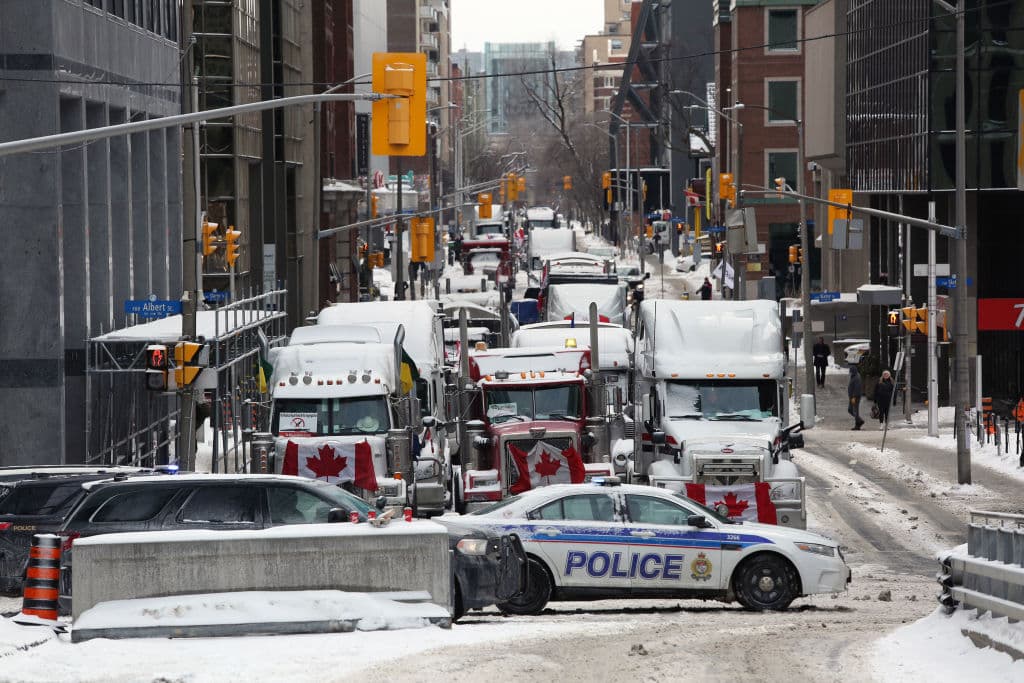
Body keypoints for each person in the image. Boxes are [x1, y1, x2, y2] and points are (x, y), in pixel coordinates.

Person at [848, 365, 864, 430]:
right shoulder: (853, 376)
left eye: (851, 372)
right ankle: (859, 420)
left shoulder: (857, 377)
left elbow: (857, 388)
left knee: (855, 410)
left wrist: (854, 397)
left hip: (855, 397)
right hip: (852, 397)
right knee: (850, 410)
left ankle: (858, 424)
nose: (850, 373)